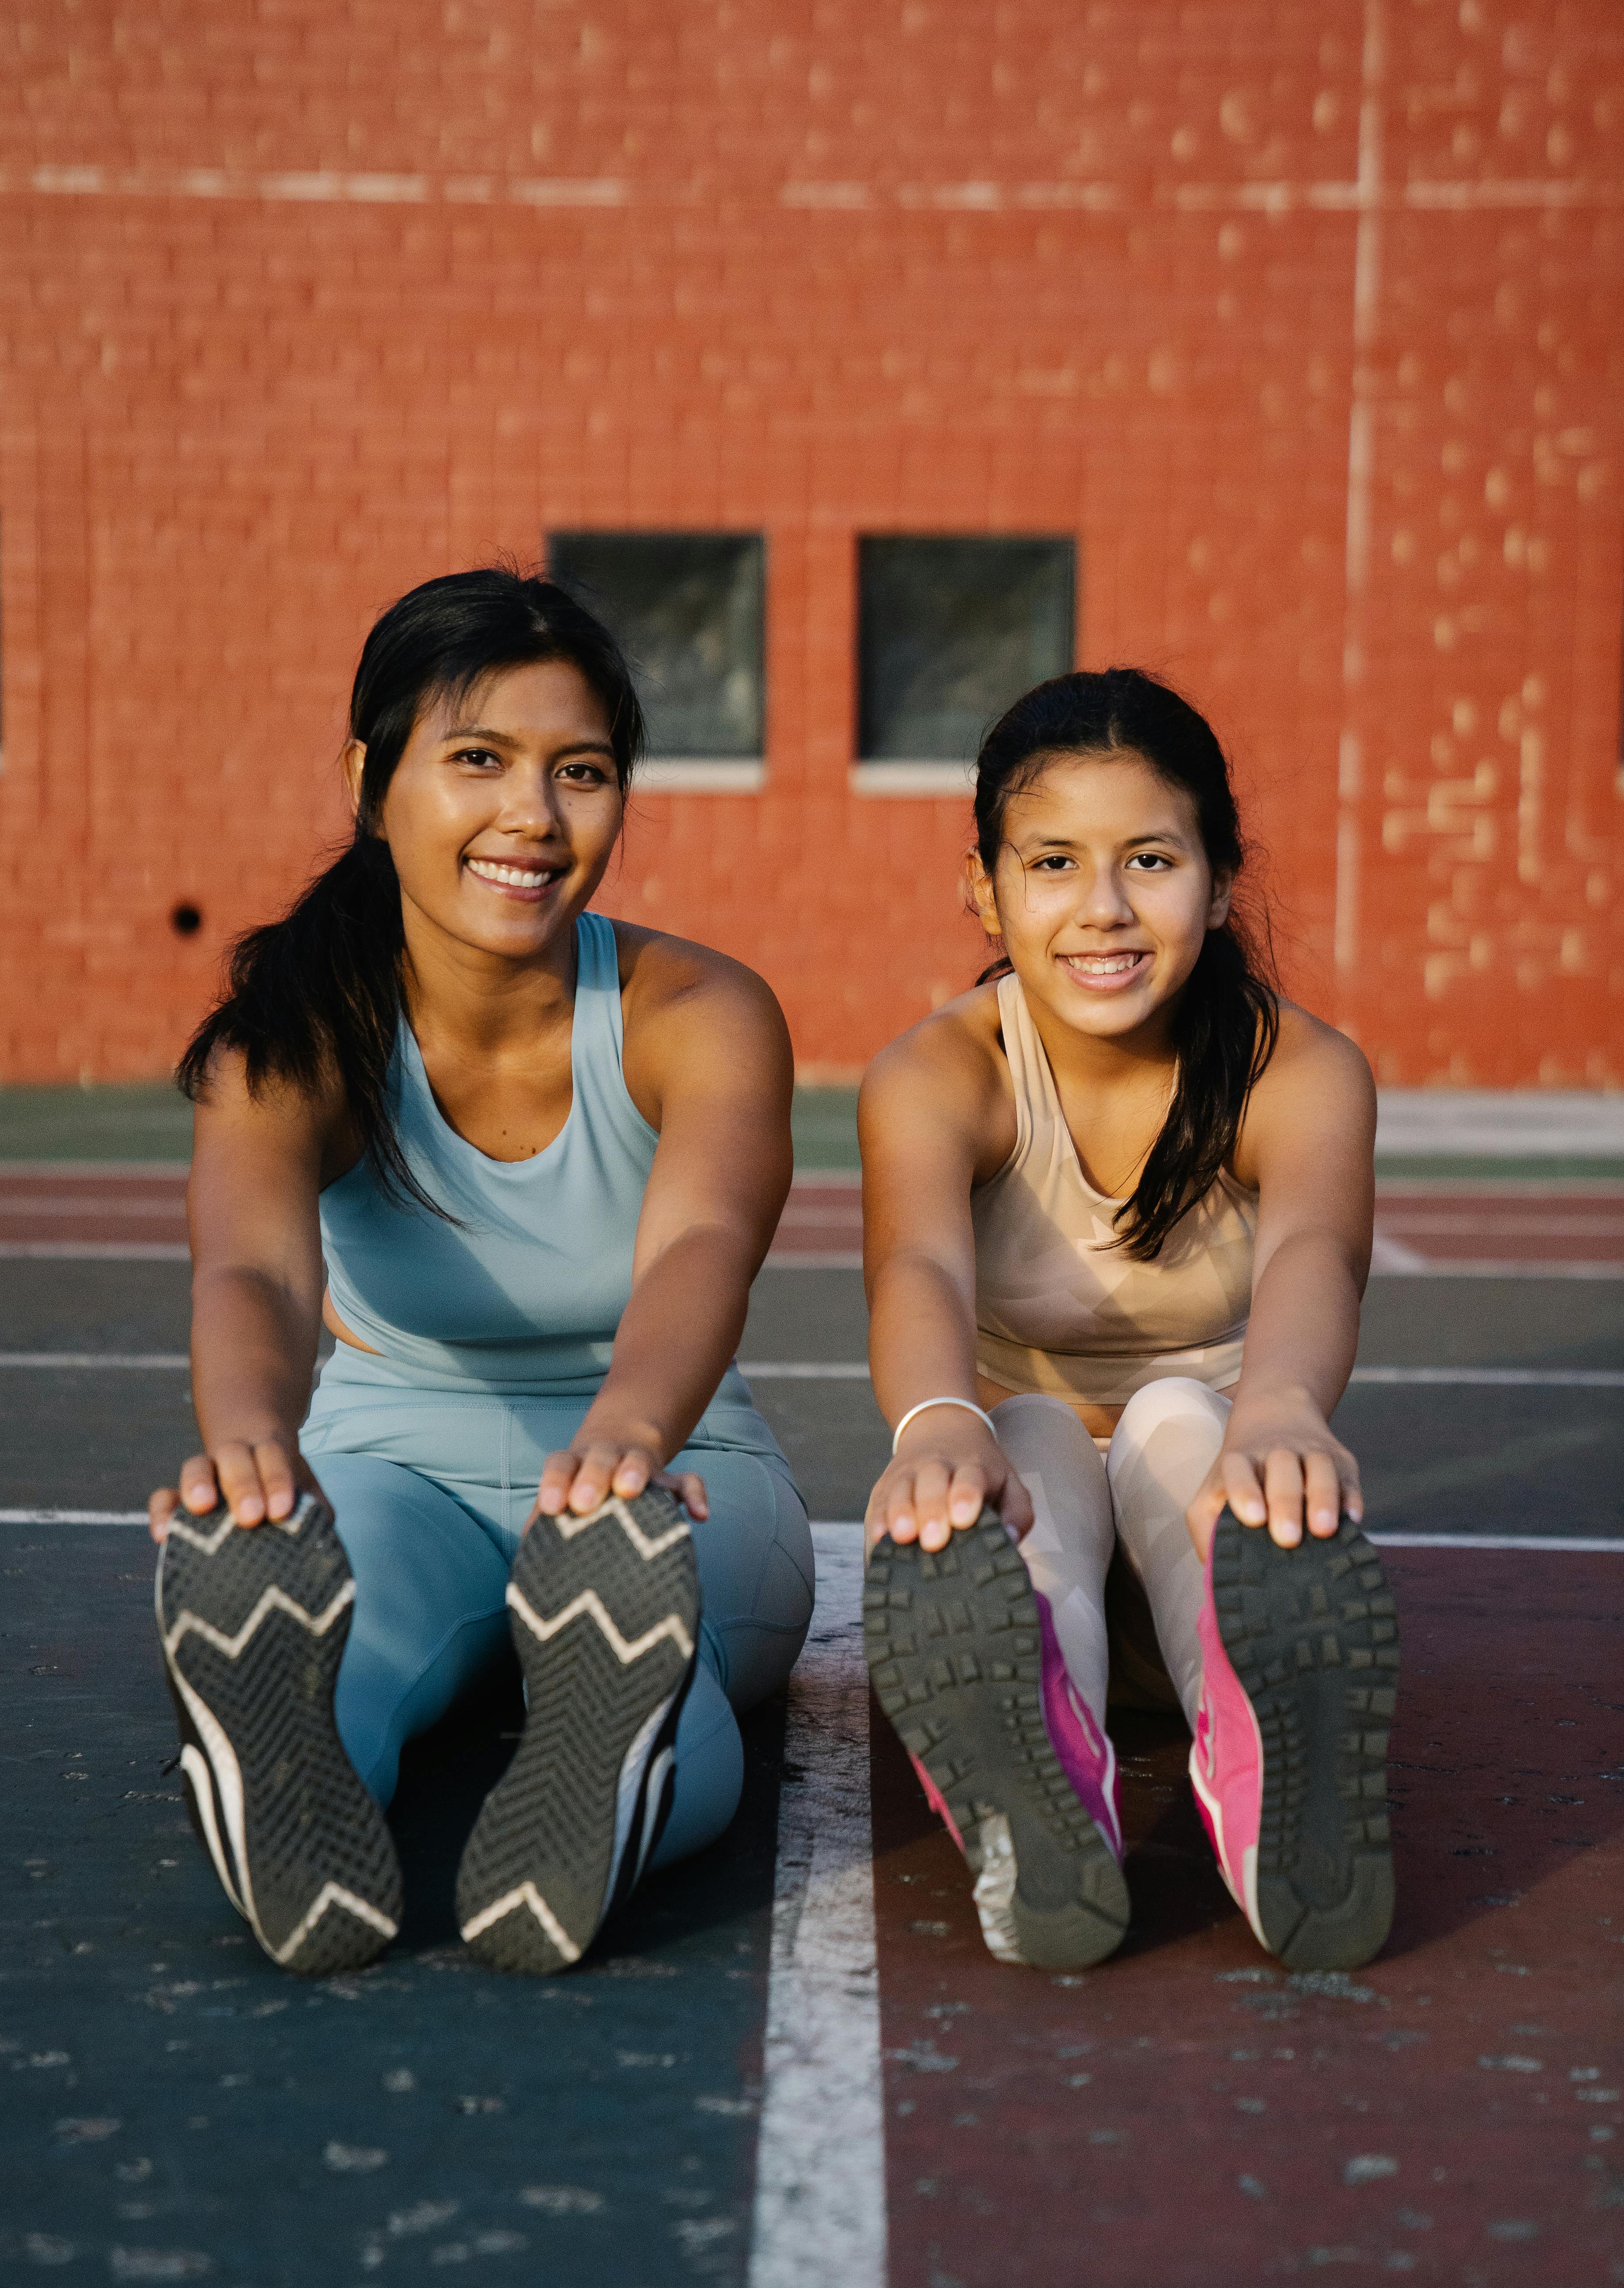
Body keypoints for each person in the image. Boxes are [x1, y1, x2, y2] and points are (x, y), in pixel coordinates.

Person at [147, 569, 814, 1979]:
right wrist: (255, 1450)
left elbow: (704, 1244)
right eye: (478, 762)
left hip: (673, 1465)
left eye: (581, 772)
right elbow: (255, 1271)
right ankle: (277, 1780)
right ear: (368, 778)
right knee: (344, 1645)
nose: (534, 816)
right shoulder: (292, 1035)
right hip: (396, 1465)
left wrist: (628, 1435)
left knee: (669, 1655)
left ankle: (608, 1779)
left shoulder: (697, 1014)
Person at [858, 668, 1400, 1976]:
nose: (1102, 908)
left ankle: (1263, 1760)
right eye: (1052, 862)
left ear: (1218, 883)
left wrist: (1280, 1410)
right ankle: (1045, 1782)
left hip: (1211, 1534)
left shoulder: (1300, 1071)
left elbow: (1317, 1252)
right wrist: (936, 1428)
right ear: (985, 890)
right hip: (1022, 1537)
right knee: (1029, 1426)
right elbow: (918, 1269)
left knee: (1172, 1414)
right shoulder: (942, 1073)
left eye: (1149, 860)